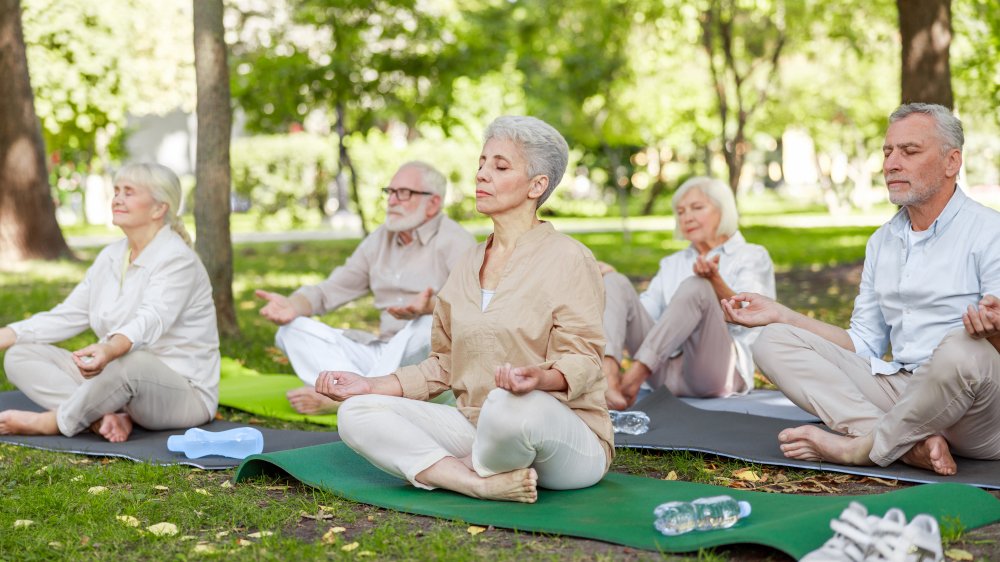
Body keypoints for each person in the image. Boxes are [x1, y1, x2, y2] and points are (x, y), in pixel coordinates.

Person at [316, 116, 612, 503]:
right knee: (357, 412)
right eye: (482, 164)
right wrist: (370, 385)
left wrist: (537, 381)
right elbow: (443, 363)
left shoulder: (569, 258)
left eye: (500, 167)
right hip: (476, 423)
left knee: (507, 405)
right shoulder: (468, 262)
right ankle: (475, 481)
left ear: (537, 186)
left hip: (562, 432)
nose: (482, 175)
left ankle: (467, 464)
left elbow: (586, 361)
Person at [723, 103, 1000, 475]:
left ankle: (858, 450)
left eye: (909, 151)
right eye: (887, 152)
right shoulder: (882, 242)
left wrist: (994, 333)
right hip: (903, 389)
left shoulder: (989, 231)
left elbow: (985, 356)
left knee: (964, 347)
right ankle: (903, 445)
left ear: (952, 162)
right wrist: (781, 314)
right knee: (772, 341)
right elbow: (863, 344)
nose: (891, 164)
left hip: (977, 412)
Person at [0, 163, 220, 443]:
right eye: (116, 190)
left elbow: (150, 319)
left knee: (130, 362)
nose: (117, 198)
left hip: (182, 395)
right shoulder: (111, 255)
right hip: (115, 378)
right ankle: (101, 418)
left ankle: (54, 421)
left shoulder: (178, 259)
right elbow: (68, 315)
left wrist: (109, 349)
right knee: (20, 354)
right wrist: (7, 335)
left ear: (158, 209)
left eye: (129, 192)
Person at [254, 161, 475, 414]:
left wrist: (431, 307)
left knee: (426, 326)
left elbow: (475, 311)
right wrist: (293, 305)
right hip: (382, 353)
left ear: (433, 203)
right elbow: (332, 289)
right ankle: (357, 395)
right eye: (389, 192)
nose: (392, 201)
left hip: (428, 369)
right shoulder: (379, 239)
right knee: (291, 330)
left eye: (403, 193)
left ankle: (347, 397)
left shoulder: (457, 242)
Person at [601, 177, 775, 409]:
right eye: (681, 212)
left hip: (713, 373)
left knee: (698, 286)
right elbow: (644, 314)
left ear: (723, 210)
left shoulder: (752, 255)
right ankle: (609, 376)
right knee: (614, 281)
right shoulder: (671, 263)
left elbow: (752, 317)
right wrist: (616, 295)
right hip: (663, 373)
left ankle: (633, 376)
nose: (687, 217)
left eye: (697, 208)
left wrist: (714, 282)